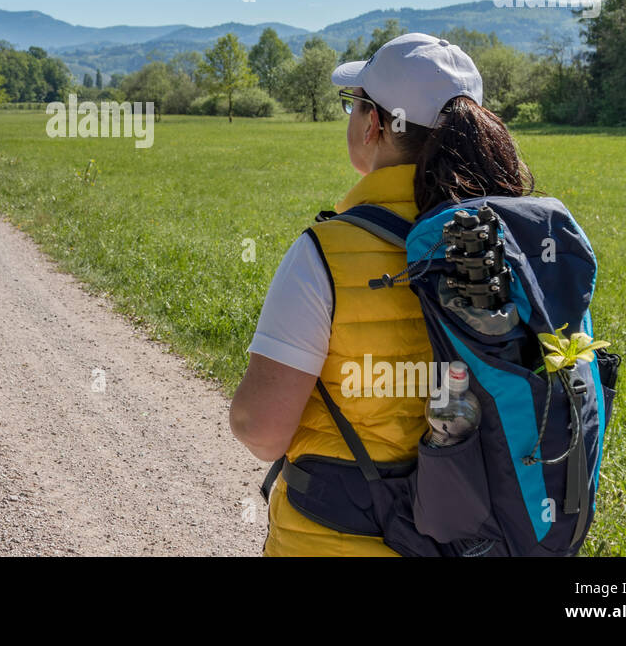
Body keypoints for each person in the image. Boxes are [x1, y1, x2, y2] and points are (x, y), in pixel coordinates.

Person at [229, 32, 535, 556]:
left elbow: (262, 431)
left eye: (355, 104)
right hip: (475, 541)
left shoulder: (323, 254)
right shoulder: (511, 250)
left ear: (373, 124)